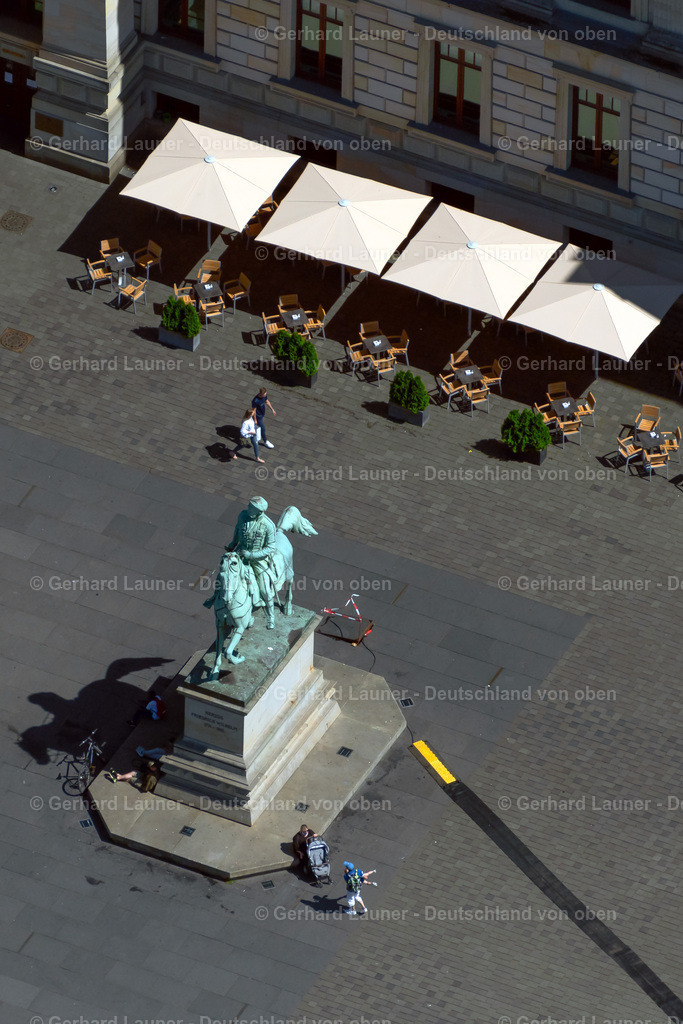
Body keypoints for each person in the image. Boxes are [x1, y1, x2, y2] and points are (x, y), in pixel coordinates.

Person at [227, 496, 278, 627]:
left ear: (259, 511)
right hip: (241, 553)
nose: (248, 508)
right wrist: (233, 544)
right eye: (249, 506)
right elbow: (238, 529)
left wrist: (252, 555)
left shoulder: (269, 525)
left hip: (258, 560)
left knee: (265, 590)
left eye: (251, 508)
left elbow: (271, 547)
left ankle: (270, 617)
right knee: (226, 574)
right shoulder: (243, 515)